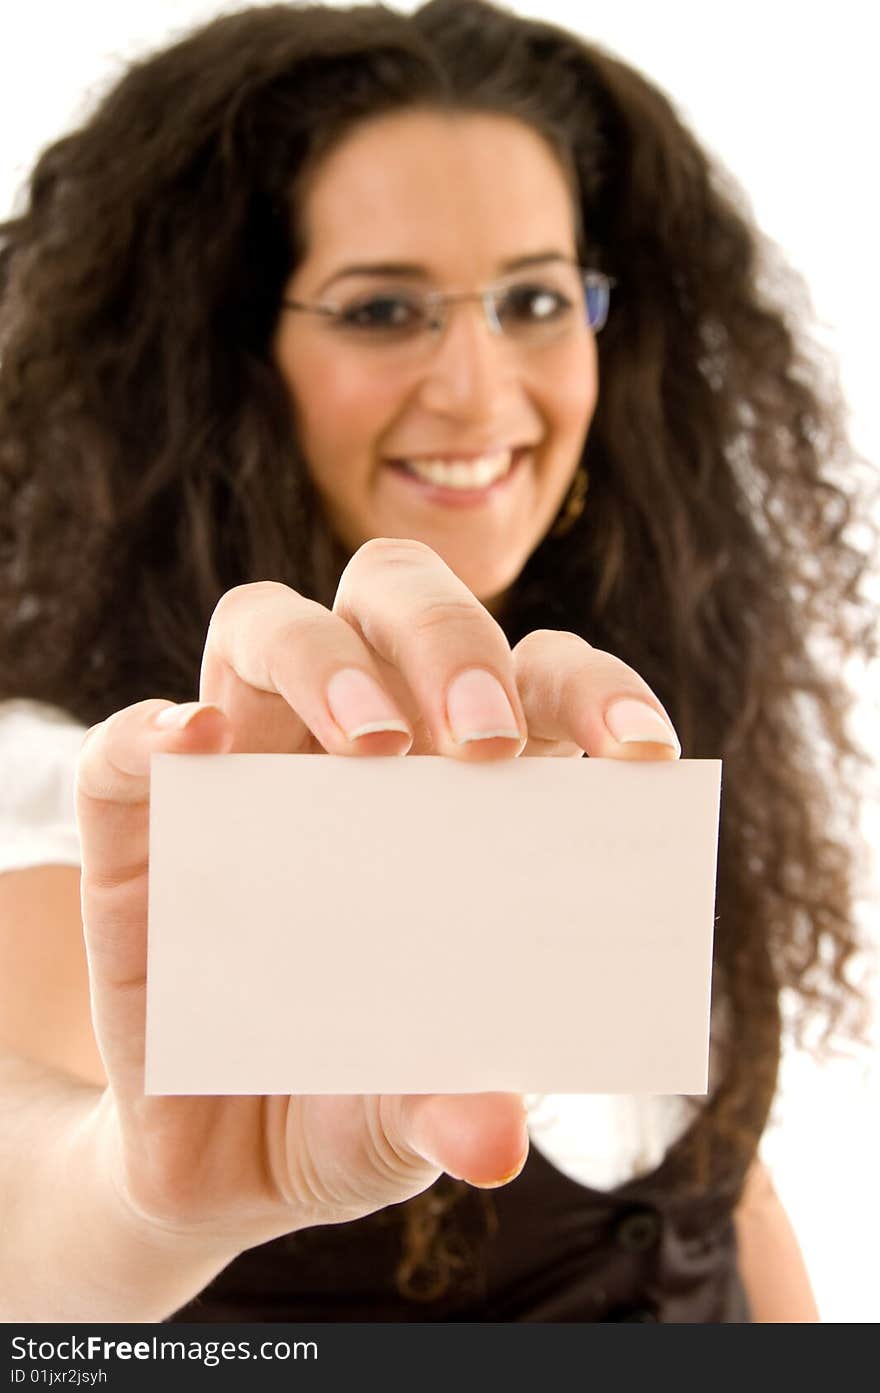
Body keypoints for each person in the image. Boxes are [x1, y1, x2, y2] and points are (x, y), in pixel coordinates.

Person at [0, 0, 874, 1324]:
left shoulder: (626, 719)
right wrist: (131, 1204)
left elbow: (725, 1204)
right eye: (385, 308)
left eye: (533, 297)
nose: (479, 387)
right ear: (227, 362)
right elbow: (38, 1191)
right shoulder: (107, 780)